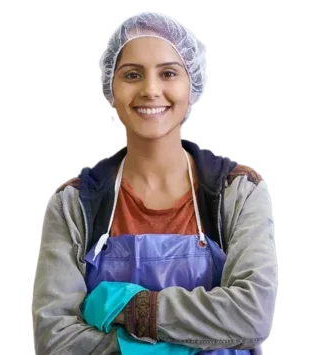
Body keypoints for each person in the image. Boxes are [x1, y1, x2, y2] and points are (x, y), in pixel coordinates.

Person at [31, 11, 278, 355]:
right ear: (111, 88)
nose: (150, 90)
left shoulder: (236, 191)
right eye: (132, 74)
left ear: (191, 84)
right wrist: (177, 345)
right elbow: (54, 338)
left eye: (168, 73)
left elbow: (252, 317)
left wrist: (124, 307)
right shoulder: (75, 203)